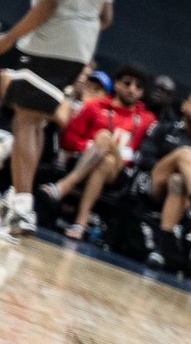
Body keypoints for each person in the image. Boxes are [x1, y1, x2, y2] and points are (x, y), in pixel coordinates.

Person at [0, 0, 113, 235]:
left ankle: (22, 206)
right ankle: (17, 197)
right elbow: (106, 15)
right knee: (37, 121)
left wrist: (8, 38)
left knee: (24, 120)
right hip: (80, 51)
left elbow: (49, 0)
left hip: (49, 43)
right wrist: (81, 31)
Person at [45, 63, 155, 239]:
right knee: (105, 159)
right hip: (87, 161)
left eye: (138, 86)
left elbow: (147, 153)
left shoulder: (147, 120)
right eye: (127, 83)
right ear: (117, 84)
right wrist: (91, 146)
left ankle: (65, 185)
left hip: (119, 170)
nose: (132, 89)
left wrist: (104, 144)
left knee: (104, 138)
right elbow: (68, 139)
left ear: (142, 92)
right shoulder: (95, 107)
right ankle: (81, 223)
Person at [132, 88, 191, 277]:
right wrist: (175, 165)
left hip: (182, 195)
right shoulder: (165, 127)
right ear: (184, 105)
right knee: (184, 154)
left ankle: (159, 249)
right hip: (154, 184)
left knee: (178, 180)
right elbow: (144, 158)